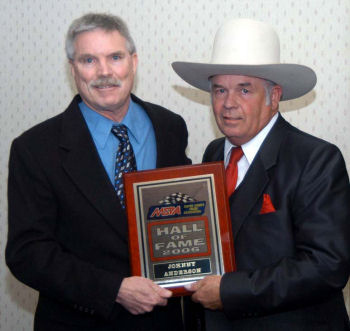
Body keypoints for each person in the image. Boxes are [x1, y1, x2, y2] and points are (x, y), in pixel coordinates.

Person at [6, 13, 191, 331]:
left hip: (164, 322)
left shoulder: (170, 127)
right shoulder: (35, 149)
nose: (104, 72)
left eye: (115, 57)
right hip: (80, 322)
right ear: (73, 68)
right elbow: (27, 253)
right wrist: (114, 289)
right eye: (89, 60)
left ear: (133, 62)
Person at [172, 18, 350, 330]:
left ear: (274, 96)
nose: (228, 104)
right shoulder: (213, 153)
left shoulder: (316, 160)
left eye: (244, 90)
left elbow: (327, 266)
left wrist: (229, 292)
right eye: (219, 90)